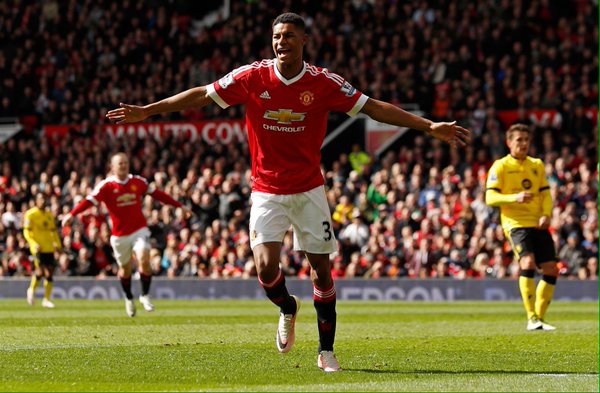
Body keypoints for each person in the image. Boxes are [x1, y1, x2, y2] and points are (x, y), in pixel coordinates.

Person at [106, 12, 470, 371]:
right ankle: (287, 307)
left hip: (309, 189)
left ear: (304, 41)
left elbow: (372, 107)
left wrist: (428, 126)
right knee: (265, 270)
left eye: (289, 36)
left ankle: (326, 351)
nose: (282, 42)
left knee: (321, 274)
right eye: (277, 36)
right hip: (265, 189)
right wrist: (149, 111)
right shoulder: (253, 76)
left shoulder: (324, 82)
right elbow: (203, 94)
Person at [61, 153, 191, 317]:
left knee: (144, 258)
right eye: (120, 163)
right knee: (125, 269)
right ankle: (129, 297)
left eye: (125, 163)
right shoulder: (106, 186)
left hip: (139, 230)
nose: (123, 165)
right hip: (119, 235)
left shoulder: (138, 182)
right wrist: (71, 214)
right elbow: (88, 201)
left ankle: (144, 295)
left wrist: (179, 206)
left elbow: (158, 194)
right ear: (112, 167)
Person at [485, 123, 558, 331]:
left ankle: (540, 319)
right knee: (527, 261)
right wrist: (514, 197)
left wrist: (546, 214)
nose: (523, 144)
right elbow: (490, 197)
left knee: (551, 268)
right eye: (519, 140)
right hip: (515, 224)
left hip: (538, 222)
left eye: (526, 140)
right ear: (509, 142)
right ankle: (532, 317)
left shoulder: (537, 164)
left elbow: (545, 194)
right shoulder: (500, 166)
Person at [23, 193, 62, 308]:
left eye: (45, 199)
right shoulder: (30, 214)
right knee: (41, 271)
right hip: (38, 248)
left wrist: (58, 245)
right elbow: (26, 232)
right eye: (41, 199)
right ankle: (31, 290)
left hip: (49, 247)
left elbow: (53, 232)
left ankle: (46, 299)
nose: (43, 201)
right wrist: (33, 243)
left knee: (49, 273)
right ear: (36, 201)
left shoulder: (49, 215)